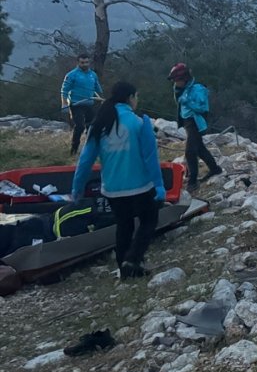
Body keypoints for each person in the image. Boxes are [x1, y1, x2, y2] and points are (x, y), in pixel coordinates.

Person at [71, 81, 165, 279]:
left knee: (124, 225)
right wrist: (159, 186)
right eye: (136, 97)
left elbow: (85, 160)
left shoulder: (99, 124)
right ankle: (133, 259)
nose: (137, 101)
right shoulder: (140, 122)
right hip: (140, 186)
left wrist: (77, 188)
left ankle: (125, 268)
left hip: (112, 188)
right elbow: (150, 158)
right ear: (130, 98)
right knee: (149, 221)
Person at [169, 63, 222, 192]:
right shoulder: (180, 89)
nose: (176, 83)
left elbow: (203, 108)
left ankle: (192, 181)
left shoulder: (198, 89)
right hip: (187, 121)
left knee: (190, 152)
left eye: (177, 80)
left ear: (185, 79)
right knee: (199, 149)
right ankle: (214, 168)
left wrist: (188, 102)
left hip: (195, 122)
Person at [61, 54, 103, 154]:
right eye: (82, 63)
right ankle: (74, 149)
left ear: (89, 63)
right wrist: (64, 103)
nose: (85, 64)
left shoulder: (93, 75)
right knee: (79, 126)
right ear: (78, 63)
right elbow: (64, 90)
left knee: (92, 127)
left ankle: (91, 150)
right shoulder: (71, 75)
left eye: (87, 62)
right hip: (76, 104)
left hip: (89, 104)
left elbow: (97, 88)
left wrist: (101, 98)